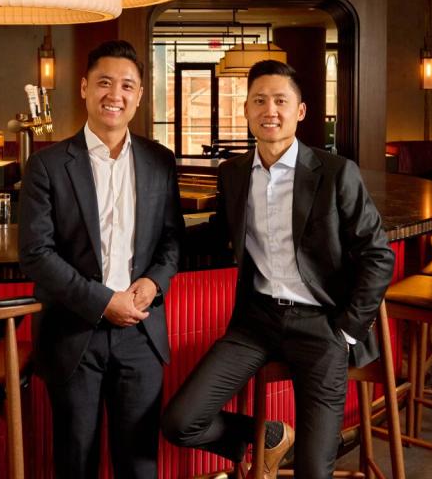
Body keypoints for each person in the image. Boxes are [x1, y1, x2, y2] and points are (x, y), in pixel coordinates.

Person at [162, 60, 394, 479]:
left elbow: (378, 254)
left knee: (312, 470)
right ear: (247, 110)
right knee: (181, 421)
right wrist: (148, 247)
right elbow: (218, 234)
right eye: (260, 100)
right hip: (257, 322)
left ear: (300, 112)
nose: (270, 110)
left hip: (322, 326)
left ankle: (294, 448)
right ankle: (267, 436)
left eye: (281, 101)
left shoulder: (337, 173)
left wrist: (347, 329)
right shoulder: (233, 174)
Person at [19, 40, 183, 479]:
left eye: (127, 85)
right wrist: (102, 301)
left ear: (140, 95)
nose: (116, 94)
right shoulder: (47, 164)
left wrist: (151, 285)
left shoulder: (159, 161)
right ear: (85, 87)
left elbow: (171, 242)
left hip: (141, 331)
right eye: (105, 83)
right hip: (74, 332)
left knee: (139, 464)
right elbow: (36, 253)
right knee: (76, 462)